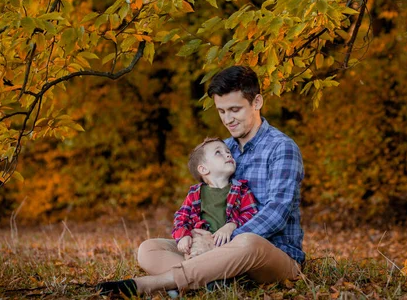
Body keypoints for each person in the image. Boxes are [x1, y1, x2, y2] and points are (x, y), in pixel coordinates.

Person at [97, 66, 304, 296]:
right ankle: (213, 279)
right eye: (222, 111)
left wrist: (224, 242)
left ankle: (152, 284)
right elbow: (201, 204)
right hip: (217, 253)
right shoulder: (223, 149)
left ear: (257, 102)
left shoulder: (281, 148)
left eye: (235, 110)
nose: (228, 119)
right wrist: (193, 238)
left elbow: (278, 211)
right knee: (149, 248)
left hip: (272, 255)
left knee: (248, 242)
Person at [173, 137, 259, 255]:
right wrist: (183, 236)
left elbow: (251, 214)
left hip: (231, 248)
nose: (228, 155)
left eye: (228, 152)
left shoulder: (242, 190)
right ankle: (191, 268)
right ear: (203, 169)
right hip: (200, 246)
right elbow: (181, 217)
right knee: (149, 249)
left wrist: (231, 225)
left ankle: (189, 270)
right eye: (218, 152)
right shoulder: (195, 194)